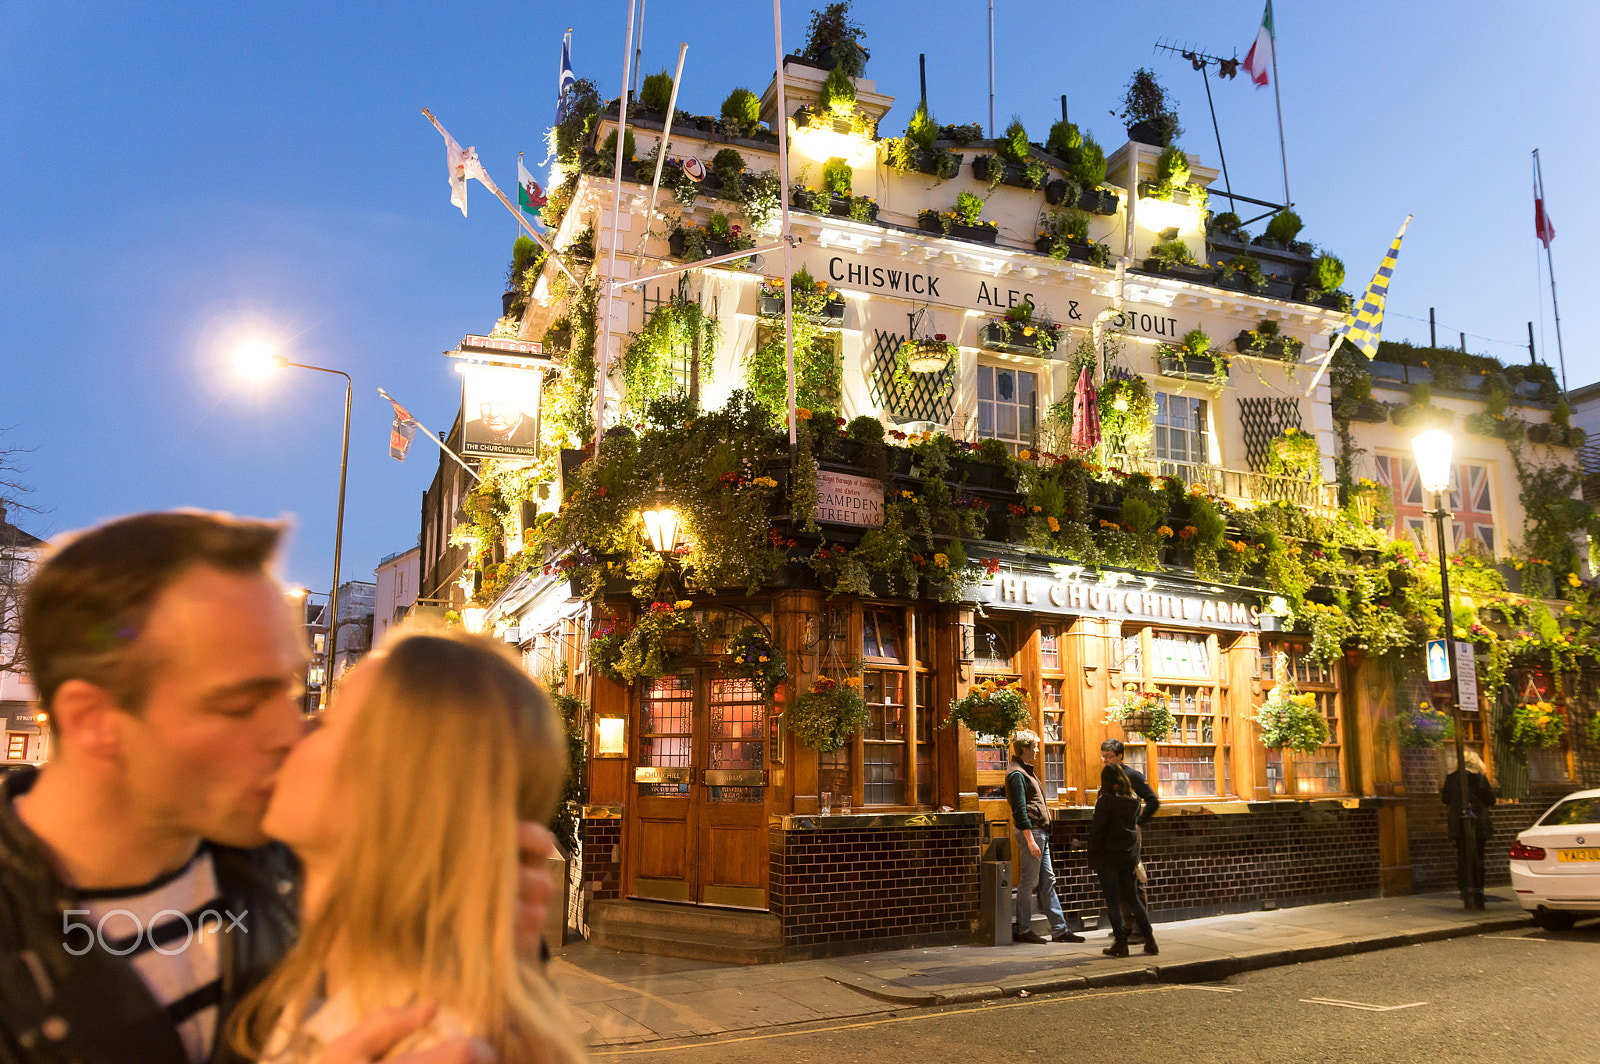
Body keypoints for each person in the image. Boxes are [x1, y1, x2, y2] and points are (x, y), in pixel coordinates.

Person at [0, 510, 555, 1064]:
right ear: (93, 718)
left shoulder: (302, 862)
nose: (291, 734)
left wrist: (496, 964)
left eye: (289, 689)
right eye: (241, 702)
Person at [232, 631, 585, 1064]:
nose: (293, 731)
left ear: (397, 793)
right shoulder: (330, 981)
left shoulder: (433, 1046)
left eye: (325, 723)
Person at [1004, 730, 1081, 944]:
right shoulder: (1017, 774)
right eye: (1035, 747)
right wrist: (1029, 840)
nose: (1037, 750)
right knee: (1029, 881)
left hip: (1040, 831)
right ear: (1025, 749)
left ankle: (1059, 930)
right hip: (1033, 832)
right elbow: (1020, 810)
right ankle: (1023, 929)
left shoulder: (1025, 771)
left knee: (1047, 880)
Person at [1087, 763, 1157, 957]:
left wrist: (1092, 852)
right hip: (1128, 856)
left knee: (1113, 901)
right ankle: (1150, 940)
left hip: (1109, 858)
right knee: (1133, 898)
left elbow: (1098, 831)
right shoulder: (1134, 800)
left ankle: (1120, 943)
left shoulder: (1105, 801)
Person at [1100, 738, 1158, 940]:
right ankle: (1127, 924)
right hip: (1116, 836)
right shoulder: (1108, 776)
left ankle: (1141, 930)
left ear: (1120, 756)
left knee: (1134, 881)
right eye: (1104, 756)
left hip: (1130, 834)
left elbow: (1153, 800)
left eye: (1109, 756)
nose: (1106, 760)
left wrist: (1139, 822)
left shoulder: (1132, 775)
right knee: (1121, 883)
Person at [1441, 748, 1496, 911]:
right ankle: (1478, 889)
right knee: (1478, 857)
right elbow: (1491, 800)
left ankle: (1465, 888)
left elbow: (1445, 799)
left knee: (1462, 856)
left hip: (1459, 825)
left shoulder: (1452, 779)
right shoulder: (1480, 779)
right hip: (1478, 825)